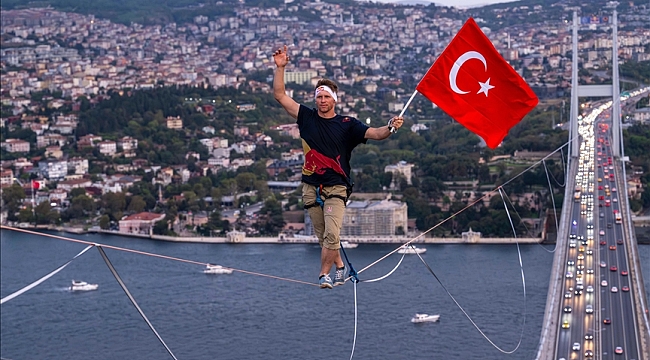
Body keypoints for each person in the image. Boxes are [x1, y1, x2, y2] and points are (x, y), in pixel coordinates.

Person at [273, 45, 404, 289]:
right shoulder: (306, 117)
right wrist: (280, 68)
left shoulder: (347, 124)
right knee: (324, 237)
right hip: (310, 186)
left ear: (335, 99)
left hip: (336, 187)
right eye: (319, 97)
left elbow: (376, 133)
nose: (322, 101)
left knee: (332, 235)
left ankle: (324, 275)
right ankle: (341, 267)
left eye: (326, 97)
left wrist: (391, 126)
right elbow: (280, 96)